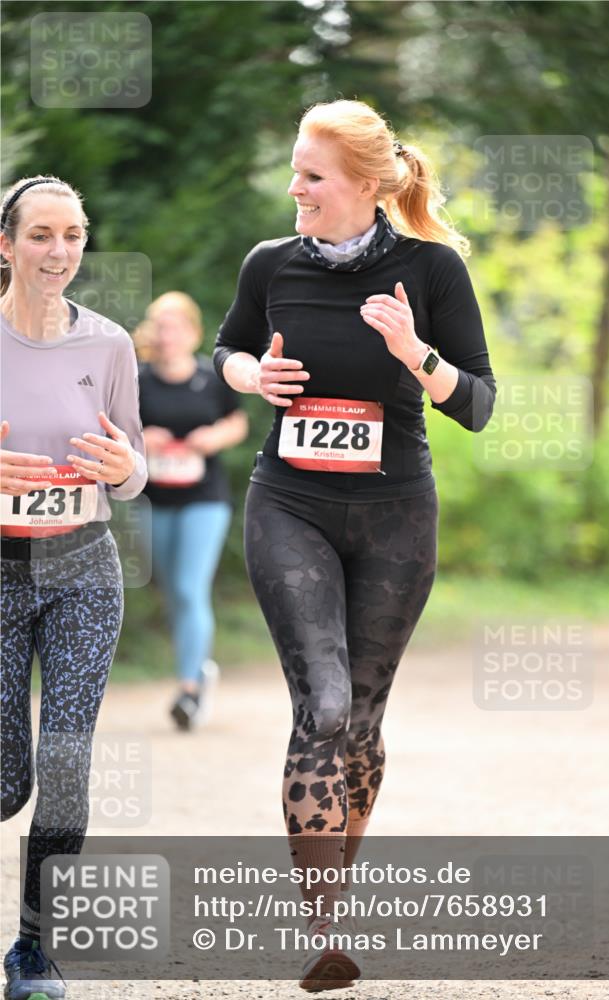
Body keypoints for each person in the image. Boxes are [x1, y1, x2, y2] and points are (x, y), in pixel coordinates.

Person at [213, 100, 496, 991]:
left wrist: (416, 352)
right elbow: (229, 348)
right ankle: (321, 927)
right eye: (294, 170)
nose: (293, 188)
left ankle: (339, 884)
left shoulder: (432, 270)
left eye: (311, 175)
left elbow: (478, 405)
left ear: (365, 187)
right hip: (287, 502)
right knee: (324, 707)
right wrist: (252, 374)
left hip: (394, 515)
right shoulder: (270, 265)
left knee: (364, 724)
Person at [0, 175, 147, 1000]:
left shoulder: (110, 346)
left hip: (82, 567)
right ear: (5, 245)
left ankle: (33, 952)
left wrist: (129, 469)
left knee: (64, 761)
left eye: (74, 236)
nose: (60, 253)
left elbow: (132, 472)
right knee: (4, 782)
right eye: (41, 236)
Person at [135, 292, 248, 730]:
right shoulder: (137, 379)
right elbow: (116, 429)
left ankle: (188, 690)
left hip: (205, 498)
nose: (168, 334)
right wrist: (142, 438)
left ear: (193, 331)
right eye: (160, 326)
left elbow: (237, 421)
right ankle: (199, 667)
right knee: (171, 589)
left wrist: (214, 437)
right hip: (153, 499)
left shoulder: (211, 376)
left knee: (188, 587)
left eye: (176, 326)